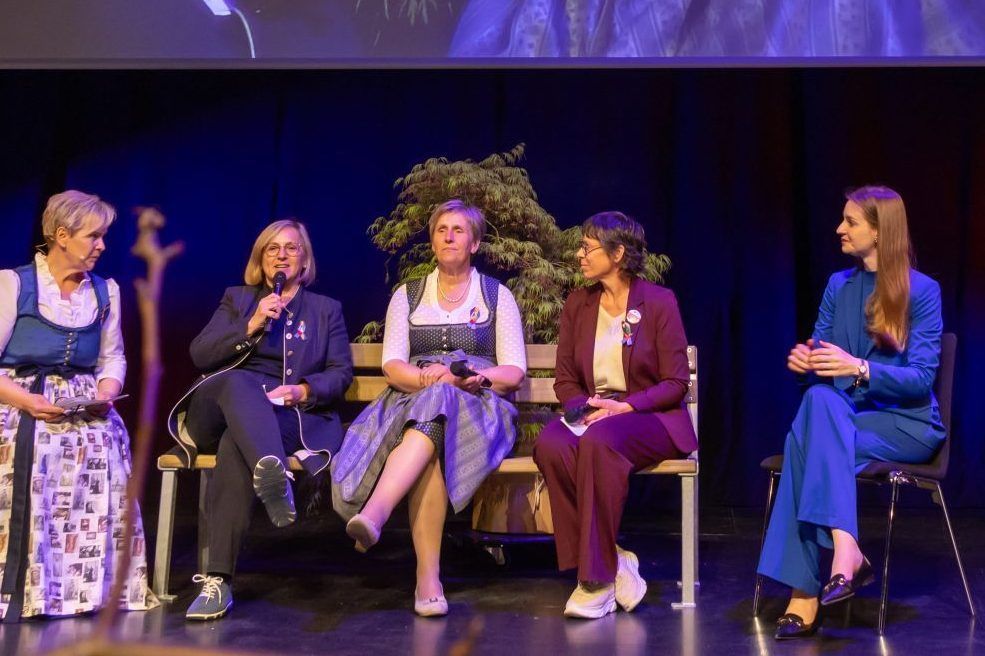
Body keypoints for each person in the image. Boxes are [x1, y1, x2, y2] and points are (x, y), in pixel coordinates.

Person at [757, 186, 944, 640]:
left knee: (805, 440)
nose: (840, 229)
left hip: (906, 425)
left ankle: (803, 593)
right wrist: (807, 361)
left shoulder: (922, 291)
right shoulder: (837, 286)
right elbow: (822, 363)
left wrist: (859, 367)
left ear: (880, 233)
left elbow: (922, 378)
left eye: (852, 222)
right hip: (843, 419)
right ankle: (845, 549)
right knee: (817, 404)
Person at [332, 199, 526, 616]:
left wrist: (475, 378)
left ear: (474, 242)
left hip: (480, 406)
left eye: (458, 230)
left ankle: (377, 514)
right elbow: (393, 365)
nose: (449, 236)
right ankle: (428, 581)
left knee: (440, 407)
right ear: (433, 241)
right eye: (442, 230)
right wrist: (431, 378)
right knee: (431, 430)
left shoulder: (496, 295)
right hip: (411, 403)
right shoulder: (408, 295)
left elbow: (514, 372)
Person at [168, 219, 353, 621]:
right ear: (261, 259)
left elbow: (340, 373)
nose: (281, 255)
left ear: (304, 261)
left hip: (284, 417)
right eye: (272, 249)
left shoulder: (325, 310)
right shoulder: (237, 299)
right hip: (213, 413)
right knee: (239, 383)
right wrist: (250, 323)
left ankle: (218, 581)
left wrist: (302, 390)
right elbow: (200, 355)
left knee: (240, 443)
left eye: (291, 248)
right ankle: (274, 474)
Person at [0, 190, 157, 620]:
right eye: (94, 236)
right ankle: (27, 589)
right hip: (18, 402)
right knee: (33, 454)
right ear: (62, 236)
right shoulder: (14, 284)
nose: (102, 245)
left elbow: (113, 357)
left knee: (101, 447)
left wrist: (106, 391)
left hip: (83, 406)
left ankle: (87, 591)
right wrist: (28, 401)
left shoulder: (106, 291)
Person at [532, 211, 697, 619]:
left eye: (588, 248)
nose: (579, 255)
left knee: (601, 442)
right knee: (550, 443)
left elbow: (676, 383)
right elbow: (566, 378)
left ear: (618, 253)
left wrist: (624, 406)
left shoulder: (658, 302)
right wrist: (584, 408)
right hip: (596, 416)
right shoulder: (579, 304)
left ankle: (595, 582)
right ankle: (610, 561)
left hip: (650, 416)